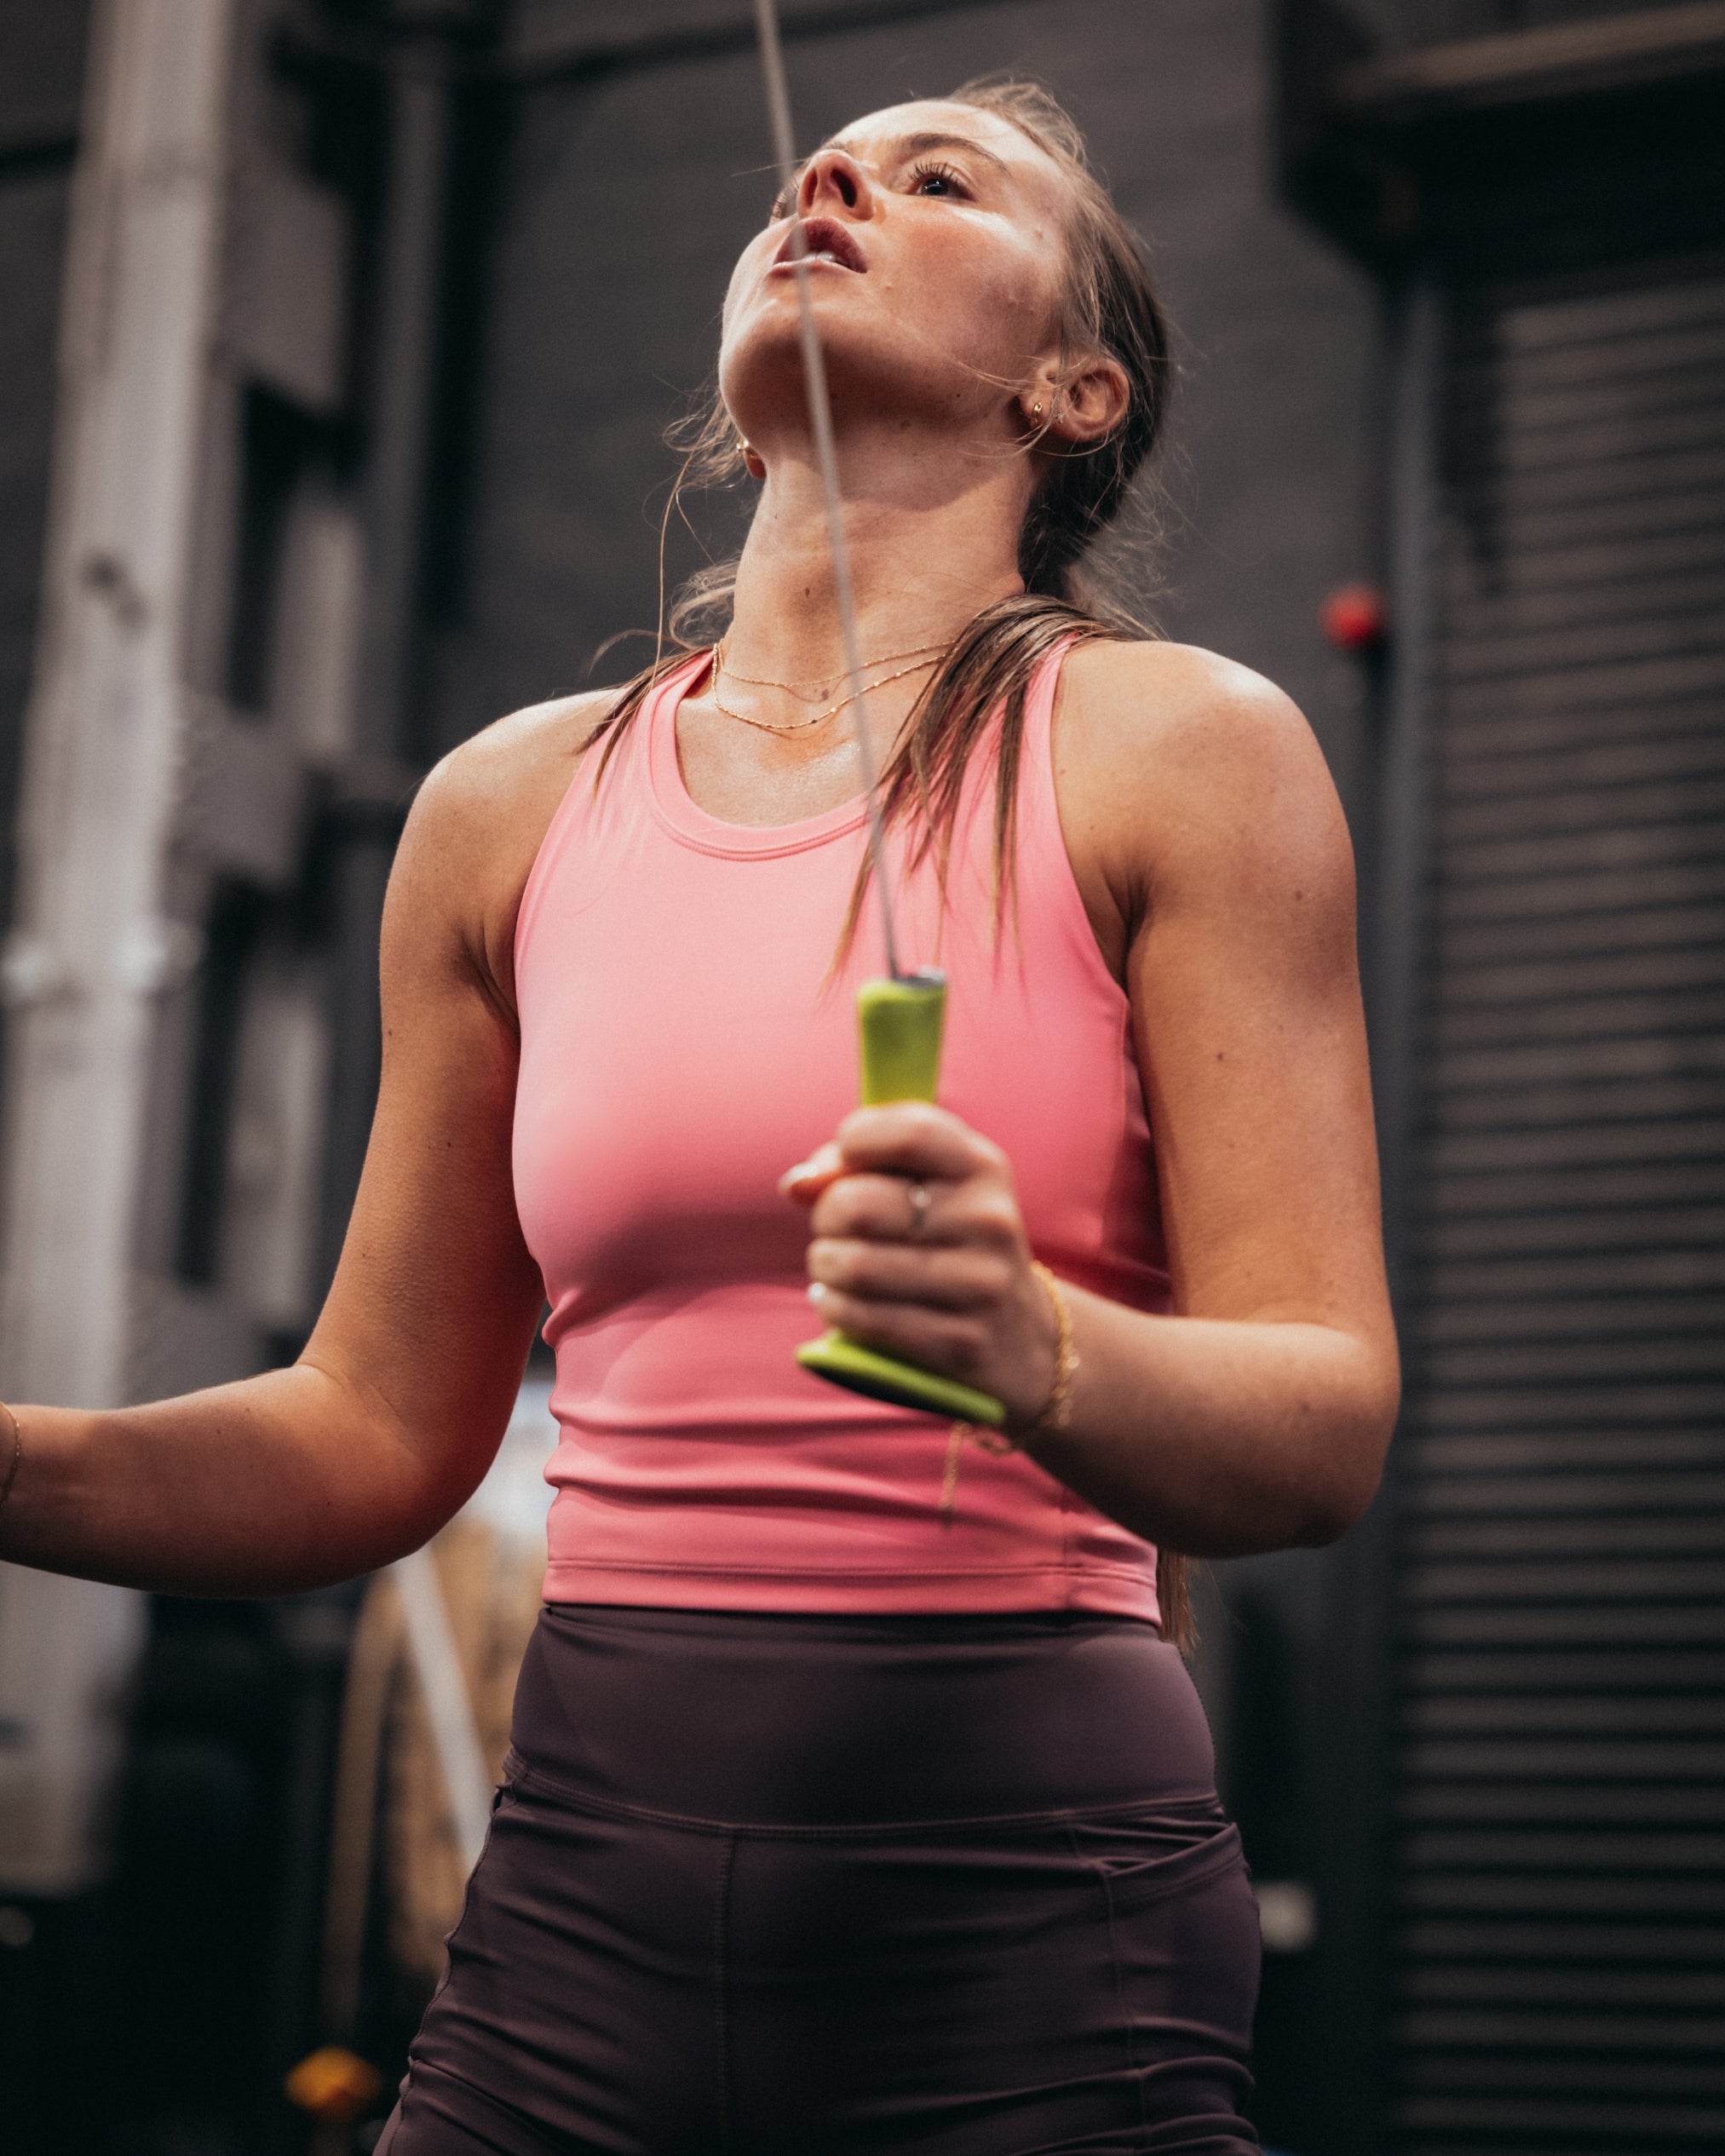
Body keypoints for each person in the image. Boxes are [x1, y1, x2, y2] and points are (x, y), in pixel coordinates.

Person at [0, 78, 1398, 2155]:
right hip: (576, 1923)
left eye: (939, 182)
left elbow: (1321, 1425)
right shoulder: (503, 808)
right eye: (813, 168)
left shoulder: (1175, 751)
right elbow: (369, 1436)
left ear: (1074, 388)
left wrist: (1039, 1349)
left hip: (1028, 1930)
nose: (830, 182)